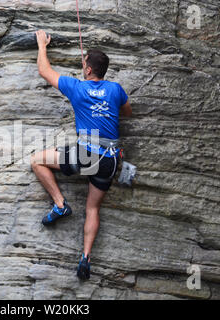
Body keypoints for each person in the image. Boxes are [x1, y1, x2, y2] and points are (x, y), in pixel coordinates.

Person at [30, 29, 132, 280]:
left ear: (88, 70)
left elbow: (45, 71)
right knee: (93, 208)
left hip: (86, 154)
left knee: (37, 160)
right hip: (109, 160)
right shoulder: (116, 89)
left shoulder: (77, 87)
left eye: (83, 63)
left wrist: (42, 45)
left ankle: (60, 204)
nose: (81, 67)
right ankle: (85, 257)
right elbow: (127, 112)